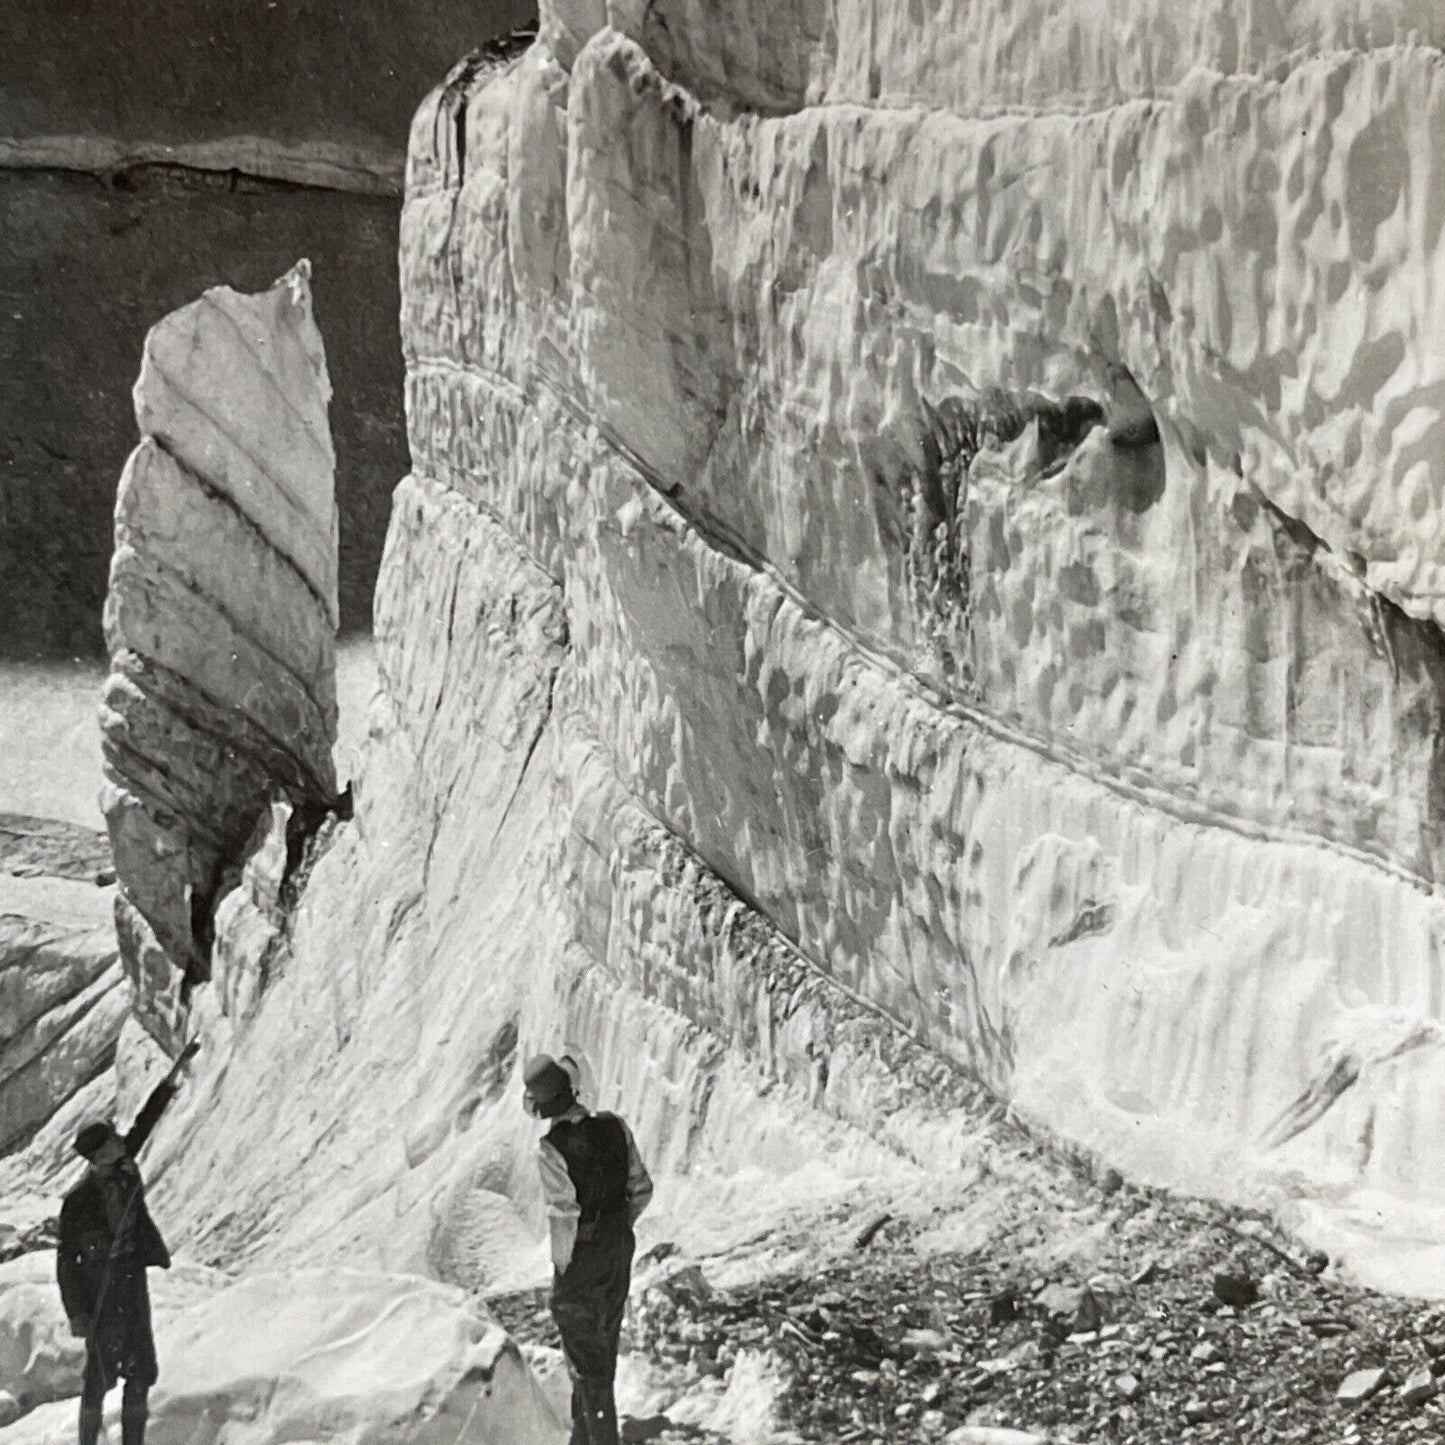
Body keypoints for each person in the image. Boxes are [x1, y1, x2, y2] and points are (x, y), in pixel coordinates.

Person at [57, 1039, 199, 1445]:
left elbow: (145, 1122)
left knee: (141, 1369)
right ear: (99, 1157)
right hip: (100, 1289)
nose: (122, 1141)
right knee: (98, 1377)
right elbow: (66, 1261)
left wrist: (173, 1077)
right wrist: (76, 1313)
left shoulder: (124, 1165)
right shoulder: (78, 1202)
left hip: (131, 1279)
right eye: (113, 1141)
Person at [524, 1052, 653, 1445]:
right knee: (600, 1350)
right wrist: (617, 1228)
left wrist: (564, 1269)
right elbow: (641, 1188)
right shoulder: (615, 1126)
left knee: (586, 1360)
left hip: (583, 1257)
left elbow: (564, 1214)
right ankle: (583, 1438)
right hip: (618, 1247)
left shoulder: (551, 1148)